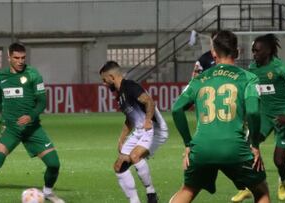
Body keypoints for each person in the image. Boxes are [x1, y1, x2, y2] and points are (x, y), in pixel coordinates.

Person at [169, 30, 270, 203]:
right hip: (235, 148)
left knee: (188, 190)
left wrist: (188, 144)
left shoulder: (199, 79)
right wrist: (254, 145)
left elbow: (176, 109)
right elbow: (253, 112)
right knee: (261, 192)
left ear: (213, 53)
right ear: (237, 52)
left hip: (201, 148)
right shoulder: (248, 78)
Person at [0, 43, 65, 203]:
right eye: (16, 58)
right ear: (9, 57)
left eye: (23, 58)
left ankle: (48, 192)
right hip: (10, 128)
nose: (20, 61)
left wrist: (30, 116)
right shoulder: (1, 77)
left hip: (32, 129)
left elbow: (42, 102)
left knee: (54, 164)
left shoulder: (33, 74)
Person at [231, 34, 285, 202]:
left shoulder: (282, 68)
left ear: (269, 50)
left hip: (283, 118)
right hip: (262, 117)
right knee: (246, 149)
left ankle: (283, 181)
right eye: (253, 51)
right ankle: (248, 187)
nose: (254, 54)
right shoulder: (252, 68)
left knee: (279, 161)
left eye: (257, 51)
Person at [99, 61, 169, 203]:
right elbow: (130, 118)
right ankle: (134, 200)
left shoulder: (130, 86)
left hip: (155, 129)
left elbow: (149, 101)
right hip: (140, 130)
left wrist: (148, 120)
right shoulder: (120, 96)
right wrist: (121, 138)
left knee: (135, 156)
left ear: (112, 77)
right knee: (118, 167)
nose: (104, 84)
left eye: (104, 80)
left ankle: (151, 194)